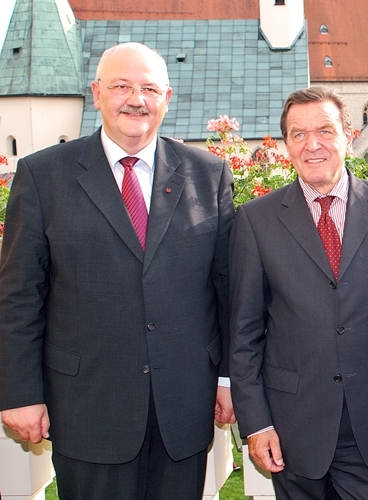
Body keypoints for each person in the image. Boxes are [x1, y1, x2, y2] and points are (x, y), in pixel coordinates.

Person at [0, 42, 235, 498]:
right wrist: (19, 391)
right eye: (122, 86)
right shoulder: (43, 176)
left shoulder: (208, 174)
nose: (136, 99)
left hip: (183, 408)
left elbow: (226, 289)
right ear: (97, 93)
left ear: (166, 98)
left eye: (149, 88)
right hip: (87, 408)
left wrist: (227, 378)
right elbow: (19, 296)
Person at [229, 86, 368, 499]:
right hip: (292, 427)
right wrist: (256, 423)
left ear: (347, 134)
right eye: (298, 134)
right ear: (286, 145)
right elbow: (244, 334)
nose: (313, 144)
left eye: (324, 130)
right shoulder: (256, 220)